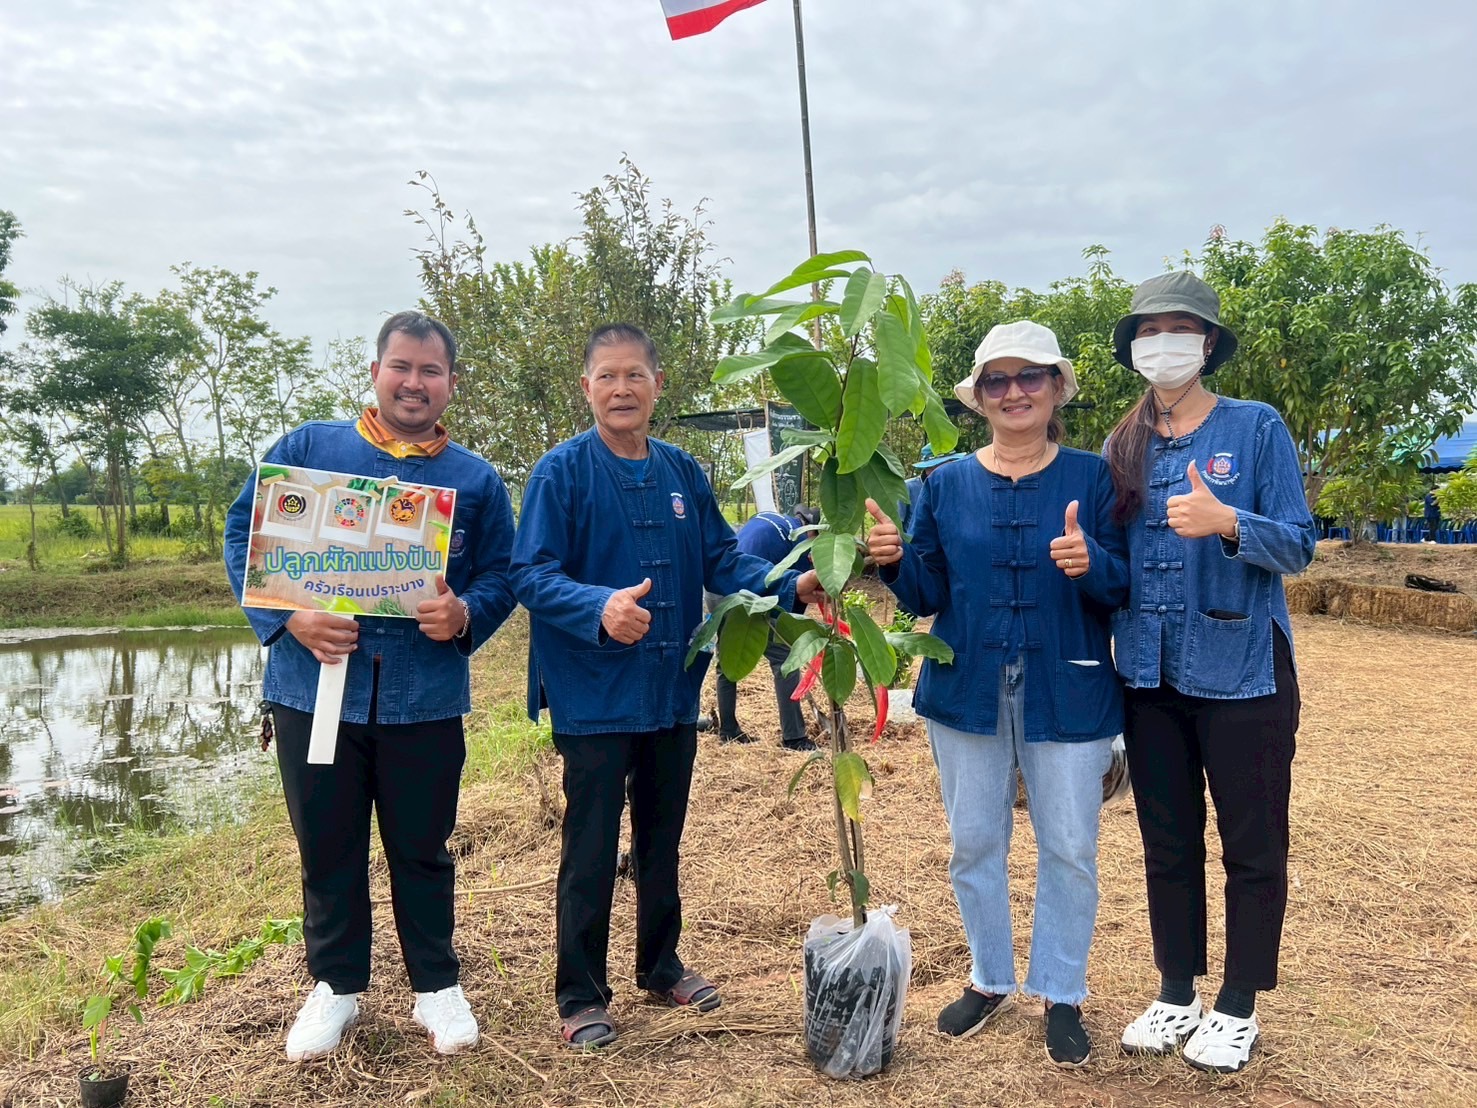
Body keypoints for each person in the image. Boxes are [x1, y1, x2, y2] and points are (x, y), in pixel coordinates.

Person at [510, 323, 824, 1049]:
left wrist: (789, 585)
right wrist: (599, 607)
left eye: (635, 376)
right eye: (606, 377)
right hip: (594, 692)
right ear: (586, 387)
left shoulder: (682, 471)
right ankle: (579, 993)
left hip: (670, 691)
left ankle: (660, 964)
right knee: (590, 846)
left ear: (656, 386)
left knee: (662, 838)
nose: (621, 389)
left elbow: (722, 559)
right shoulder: (561, 473)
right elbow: (530, 572)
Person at [223, 311, 517, 1060]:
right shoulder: (310, 450)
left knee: (423, 845)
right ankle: (335, 986)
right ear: (375, 371)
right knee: (328, 843)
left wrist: (463, 613)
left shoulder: (474, 480)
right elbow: (241, 536)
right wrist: (290, 618)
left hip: (422, 694)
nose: (414, 383)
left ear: (451, 383)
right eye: (401, 367)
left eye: (430, 371)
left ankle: (436, 986)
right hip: (313, 690)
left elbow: (502, 575)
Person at [866, 319, 1128, 1068]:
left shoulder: (1092, 478)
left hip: (1068, 687)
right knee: (974, 841)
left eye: (1029, 377)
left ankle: (1061, 990)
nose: (1014, 392)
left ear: (1056, 389)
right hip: (966, 686)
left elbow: (1125, 587)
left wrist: (1090, 565)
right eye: (996, 381)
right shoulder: (942, 484)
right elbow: (925, 591)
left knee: (1070, 847)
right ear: (977, 398)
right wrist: (889, 562)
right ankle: (988, 977)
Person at [1104, 272, 1315, 1074]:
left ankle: (1236, 1004)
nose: (1163, 343)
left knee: (1251, 843)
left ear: (1206, 343)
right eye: (1149, 330)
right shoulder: (1121, 446)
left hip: (1242, 671)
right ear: (1133, 348)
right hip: (1149, 676)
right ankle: (1174, 989)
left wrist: (1229, 522)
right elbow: (1115, 571)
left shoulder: (1255, 428)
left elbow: (1297, 544)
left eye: (1179, 329)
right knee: (1166, 837)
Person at [708, 505, 822, 752]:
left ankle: (728, 730)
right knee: (785, 659)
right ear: (812, 529)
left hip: (718, 582)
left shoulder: (770, 517)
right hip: (748, 591)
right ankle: (794, 737)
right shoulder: (801, 540)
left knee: (727, 660)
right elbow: (796, 598)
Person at [899, 442, 966, 532]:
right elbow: (896, 525)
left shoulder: (960, 487)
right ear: (927, 469)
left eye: (949, 465)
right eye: (938, 467)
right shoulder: (908, 488)